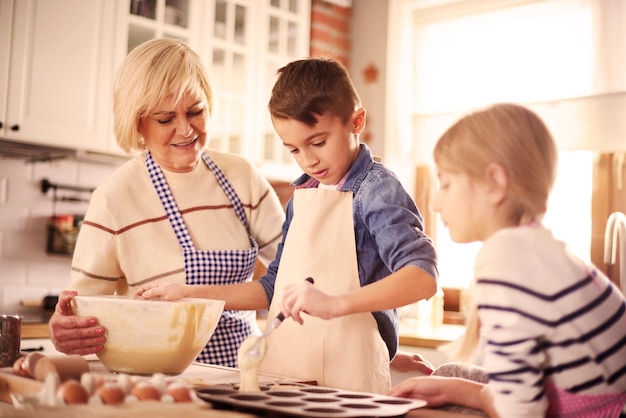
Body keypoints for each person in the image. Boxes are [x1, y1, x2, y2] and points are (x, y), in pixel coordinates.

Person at [136, 57, 438, 393]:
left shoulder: (377, 190)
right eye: (294, 148)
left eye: (318, 142)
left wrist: (335, 303)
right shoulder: (304, 193)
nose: (308, 160)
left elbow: (422, 277)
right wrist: (190, 294)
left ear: (356, 122)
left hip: (349, 382)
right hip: (288, 376)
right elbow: (272, 290)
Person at [47, 38, 285, 368]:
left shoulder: (241, 176)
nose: (185, 129)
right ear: (138, 122)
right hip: (158, 381)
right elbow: (85, 307)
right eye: (165, 119)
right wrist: (65, 329)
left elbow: (295, 266)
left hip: (245, 375)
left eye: (195, 111)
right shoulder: (115, 198)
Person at [389, 103, 626, 417]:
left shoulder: (506, 260)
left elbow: (520, 411)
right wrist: (453, 387)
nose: (434, 203)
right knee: (449, 374)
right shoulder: (535, 248)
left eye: (445, 184)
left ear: (496, 183)